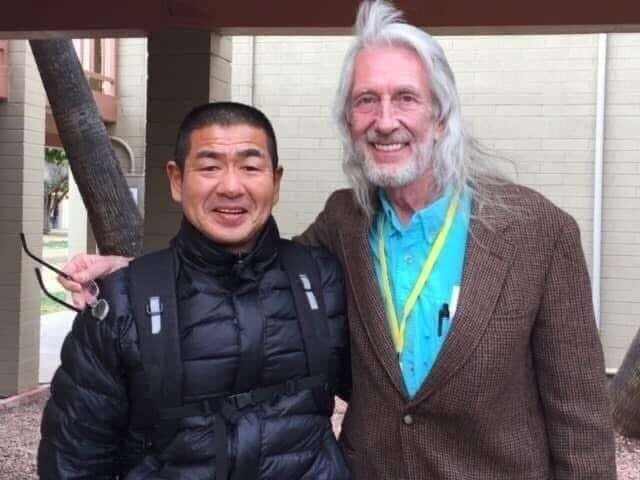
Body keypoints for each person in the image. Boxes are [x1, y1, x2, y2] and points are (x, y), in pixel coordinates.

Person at [59, 1, 617, 478]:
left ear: (442, 117)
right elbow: (248, 271)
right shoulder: (344, 221)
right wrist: (133, 272)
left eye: (406, 98)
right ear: (349, 122)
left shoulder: (537, 231)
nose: (384, 120)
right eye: (365, 100)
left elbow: (581, 420)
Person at [38, 102, 351, 479]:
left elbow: (385, 397)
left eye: (250, 167)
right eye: (210, 167)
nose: (231, 187)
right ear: (176, 180)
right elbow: (73, 460)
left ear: (276, 181)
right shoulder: (123, 303)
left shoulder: (321, 281)